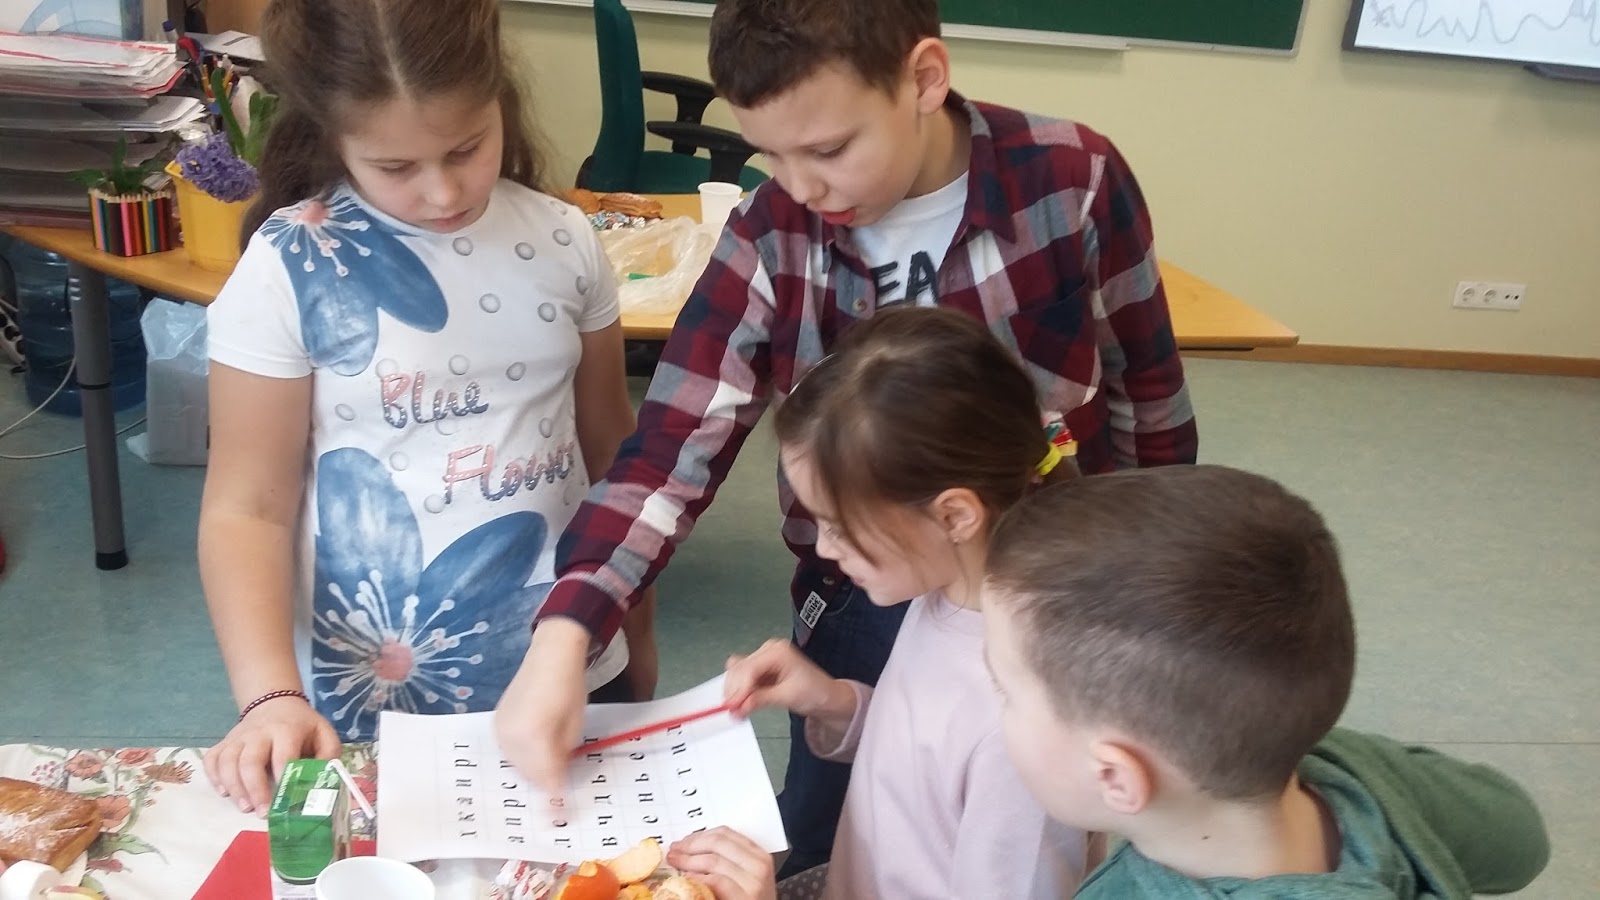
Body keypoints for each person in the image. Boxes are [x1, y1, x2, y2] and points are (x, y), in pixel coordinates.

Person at [495, 0, 1198, 874]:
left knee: (1006, 822)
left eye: (828, 150)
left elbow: (1148, 401)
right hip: (861, 587)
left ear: (923, 79)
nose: (801, 189)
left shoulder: (1071, 181)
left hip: (1052, 590)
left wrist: (1151, 605)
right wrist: (566, 633)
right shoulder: (772, 231)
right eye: (772, 157)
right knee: (832, 830)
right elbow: (670, 449)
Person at [195, 0, 653, 815]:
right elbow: (247, 508)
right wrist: (269, 697)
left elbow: (615, 454)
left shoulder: (563, 239)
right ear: (335, 136)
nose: (443, 191)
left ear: (497, 98)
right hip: (366, 701)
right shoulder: (286, 268)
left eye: (466, 148)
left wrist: (636, 628)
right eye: (395, 166)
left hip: (563, 670)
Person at [668, 307, 1088, 898]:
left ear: (954, 515)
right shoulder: (948, 595)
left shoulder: (1026, 728)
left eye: (839, 526)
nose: (823, 547)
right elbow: (928, 761)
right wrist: (833, 700)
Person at [981, 466, 1551, 898]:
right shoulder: (1365, 775)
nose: (997, 706)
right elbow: (1520, 840)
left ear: (1115, 776)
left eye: (1007, 691)